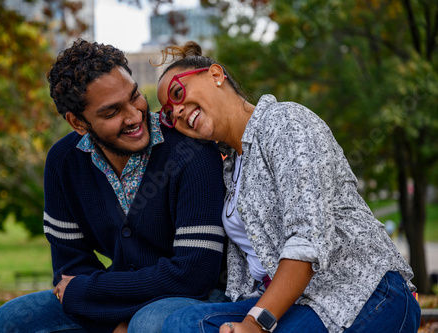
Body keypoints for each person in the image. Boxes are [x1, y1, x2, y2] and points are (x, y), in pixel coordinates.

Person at [155, 41, 421, 333]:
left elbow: (307, 240)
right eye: (168, 114)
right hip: (296, 304)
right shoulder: (228, 168)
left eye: (177, 93)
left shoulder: (285, 122)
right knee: (184, 324)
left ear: (216, 75)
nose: (177, 112)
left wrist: (255, 323)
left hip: (361, 292)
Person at [0, 39, 227, 333]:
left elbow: (194, 274)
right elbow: (70, 270)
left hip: (193, 298)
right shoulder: (63, 162)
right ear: (78, 122)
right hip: (112, 298)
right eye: (112, 112)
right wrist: (116, 321)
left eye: (135, 95)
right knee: (9, 321)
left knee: (147, 325)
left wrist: (105, 304)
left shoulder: (191, 152)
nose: (135, 115)